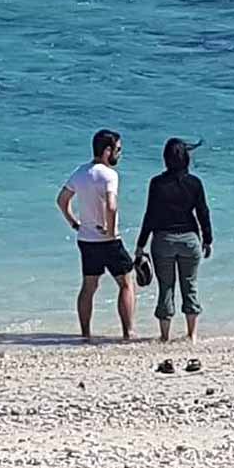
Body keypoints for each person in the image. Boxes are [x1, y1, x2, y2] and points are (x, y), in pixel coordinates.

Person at [56, 128, 136, 342]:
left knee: (89, 286)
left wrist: (74, 223)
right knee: (126, 284)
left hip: (86, 239)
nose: (119, 154)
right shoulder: (110, 175)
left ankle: (85, 333)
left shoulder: (80, 172)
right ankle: (128, 332)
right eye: (118, 149)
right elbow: (111, 206)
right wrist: (110, 230)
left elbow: (61, 200)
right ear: (107, 150)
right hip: (109, 240)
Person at [135, 137, 212, 344]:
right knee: (190, 286)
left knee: (165, 288)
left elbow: (150, 215)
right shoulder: (194, 183)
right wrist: (207, 239)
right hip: (189, 241)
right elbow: (203, 212)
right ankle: (192, 335)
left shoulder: (157, 183)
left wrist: (141, 244)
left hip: (163, 241)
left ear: (165, 159)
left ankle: (164, 336)